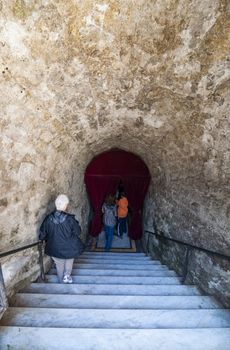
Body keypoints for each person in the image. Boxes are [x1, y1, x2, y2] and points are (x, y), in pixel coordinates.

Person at [39, 194, 82, 284]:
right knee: (69, 260)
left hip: (54, 247)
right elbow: (78, 232)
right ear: (66, 205)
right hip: (70, 247)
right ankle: (67, 276)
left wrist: (43, 240)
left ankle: (60, 280)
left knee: (59, 264)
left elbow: (42, 234)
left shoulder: (48, 218)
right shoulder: (70, 219)